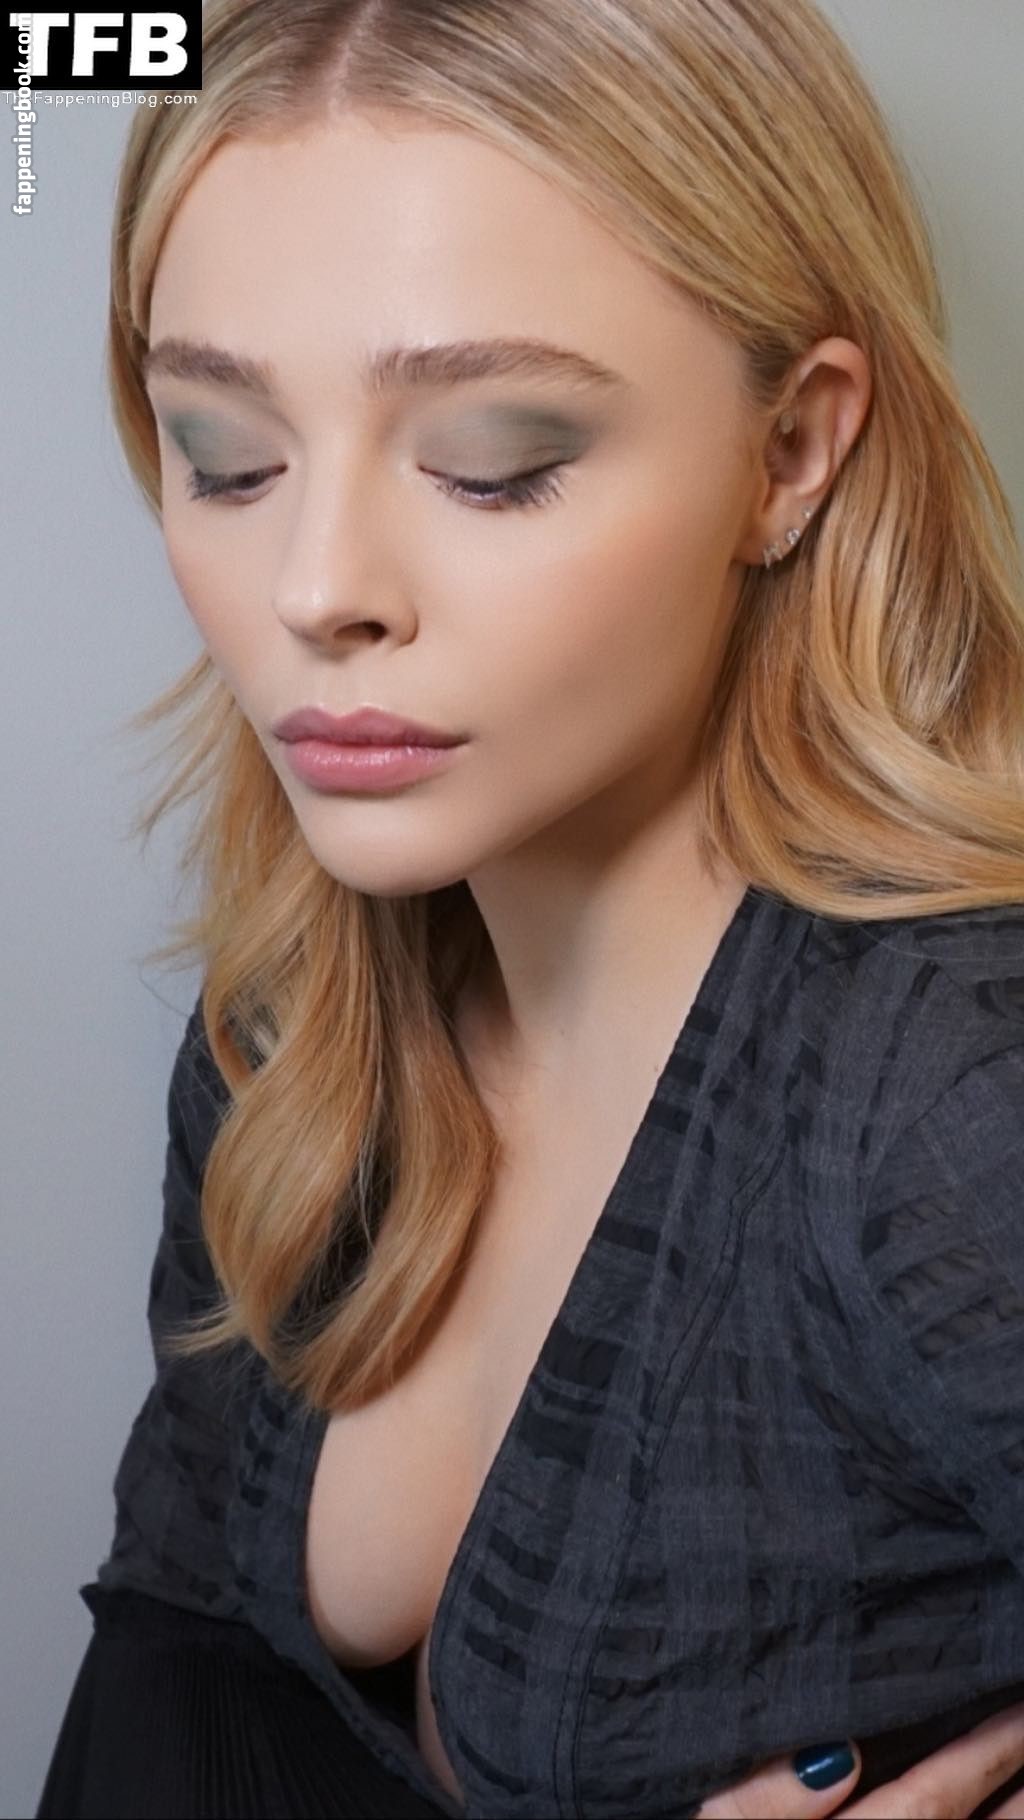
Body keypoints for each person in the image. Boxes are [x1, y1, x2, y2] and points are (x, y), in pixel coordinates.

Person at [36, 0, 1024, 1815]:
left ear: (792, 453)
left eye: (492, 457)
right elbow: (164, 1693)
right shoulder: (286, 1030)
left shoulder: (957, 1098)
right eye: (225, 452)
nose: (317, 587)